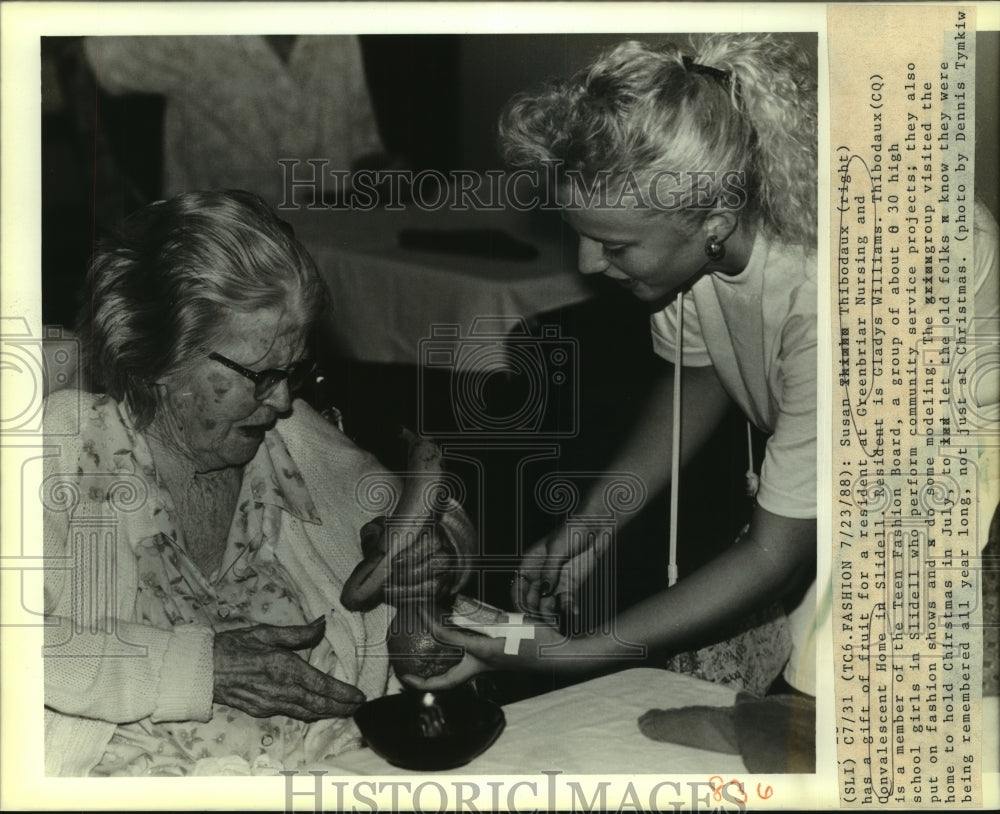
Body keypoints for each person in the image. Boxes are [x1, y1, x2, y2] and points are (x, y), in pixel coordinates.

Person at [407, 33, 821, 697]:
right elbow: (702, 371)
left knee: (835, 708)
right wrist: (594, 521)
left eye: (614, 246)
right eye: (581, 235)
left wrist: (571, 656)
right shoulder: (697, 252)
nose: (586, 266)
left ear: (715, 221)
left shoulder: (825, 304)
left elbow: (775, 553)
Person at [42, 190, 395, 776]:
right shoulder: (64, 449)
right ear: (157, 358)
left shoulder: (294, 441)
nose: (283, 399)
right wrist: (204, 669)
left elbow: (419, 582)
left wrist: (435, 567)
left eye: (295, 370)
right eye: (260, 376)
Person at [81, 36, 385, 207]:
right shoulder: (195, 32)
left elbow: (362, 140)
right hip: (219, 248)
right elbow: (99, 58)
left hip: (329, 249)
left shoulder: (336, 33)